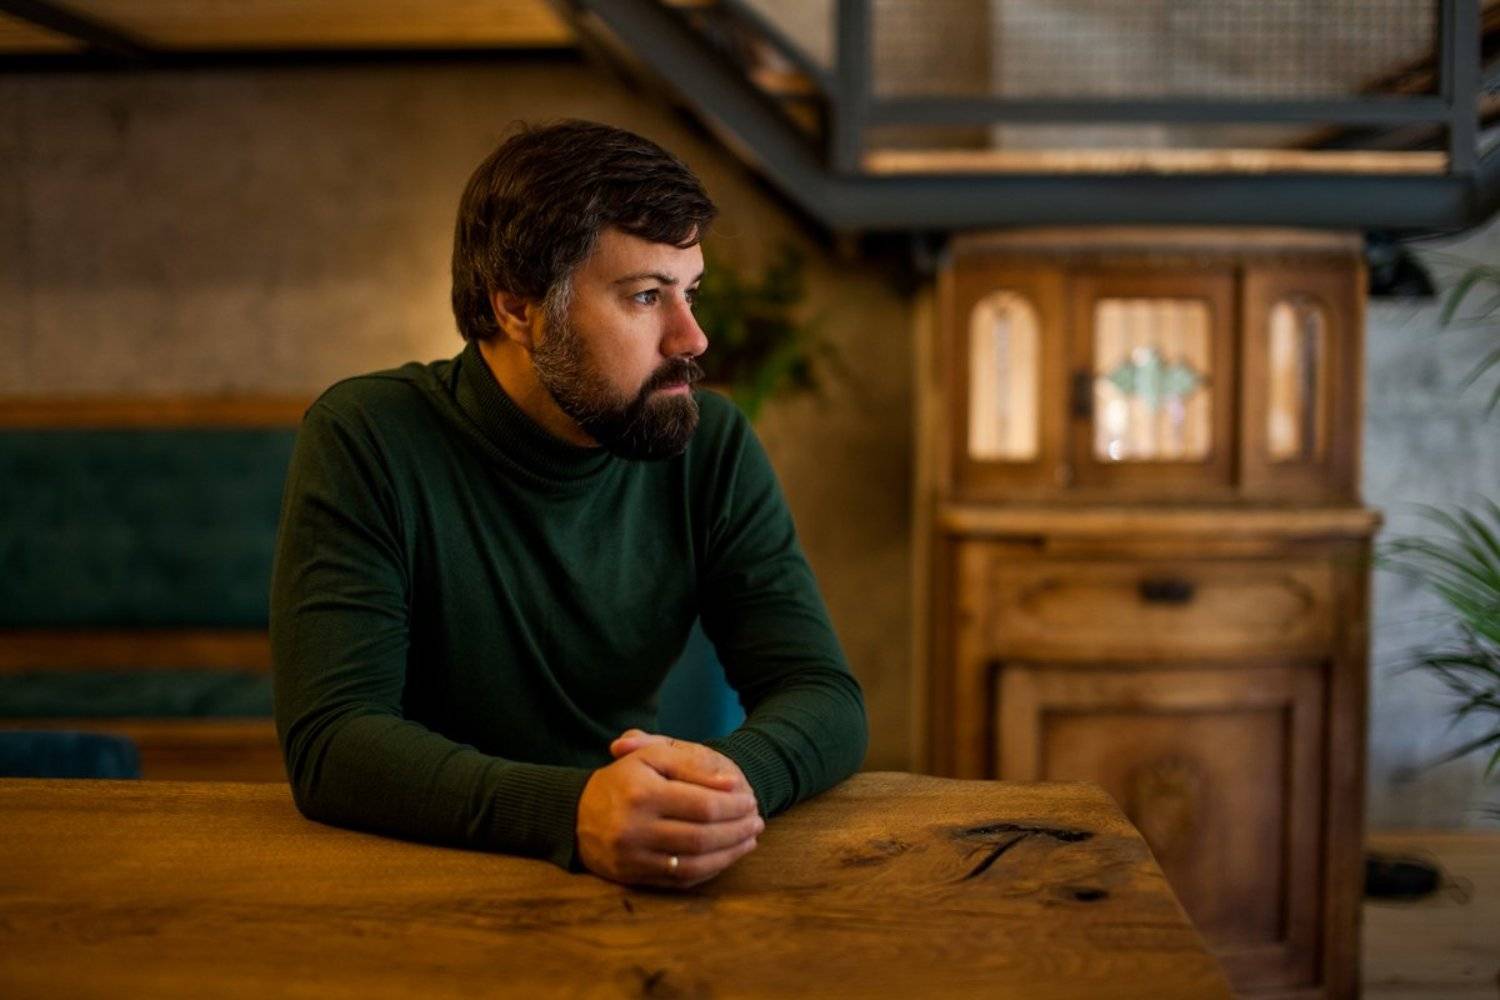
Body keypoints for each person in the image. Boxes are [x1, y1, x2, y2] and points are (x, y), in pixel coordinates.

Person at [269, 119, 868, 889]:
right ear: (519, 309)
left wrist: (718, 789)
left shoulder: (710, 446)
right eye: (646, 296)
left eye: (690, 293)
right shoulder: (366, 437)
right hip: (413, 872)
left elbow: (823, 695)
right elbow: (333, 742)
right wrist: (571, 811)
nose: (692, 338)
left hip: (632, 880)